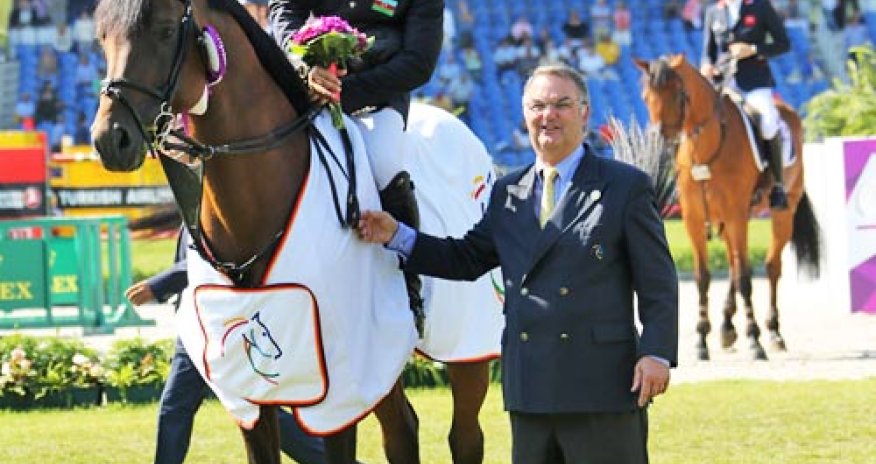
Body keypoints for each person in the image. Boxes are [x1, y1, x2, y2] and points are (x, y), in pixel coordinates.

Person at [357, 64, 679, 464]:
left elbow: (658, 285)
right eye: (538, 105)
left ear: (584, 113)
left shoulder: (624, 187)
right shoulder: (508, 192)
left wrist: (657, 353)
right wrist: (398, 235)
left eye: (562, 104)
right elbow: (466, 258)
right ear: (525, 115)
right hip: (531, 390)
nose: (549, 115)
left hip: (602, 387)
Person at [268, 0, 444, 334]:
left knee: (384, 165)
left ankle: (410, 288)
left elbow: (419, 63)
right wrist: (300, 65)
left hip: (378, 99)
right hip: (309, 87)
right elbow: (284, 11)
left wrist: (345, 92)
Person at [125, 229, 331, 464]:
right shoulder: (191, 200)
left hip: (228, 323)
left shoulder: (221, 196)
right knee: (176, 407)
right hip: (197, 325)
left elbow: (215, 255)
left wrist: (160, 285)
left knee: (254, 410)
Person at [700, 0, 791, 209]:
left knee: (768, 122)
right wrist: (706, 65)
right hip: (722, 81)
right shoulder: (713, 11)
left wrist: (752, 48)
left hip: (754, 82)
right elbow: (707, 50)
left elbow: (783, 43)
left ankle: (777, 186)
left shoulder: (760, 7)